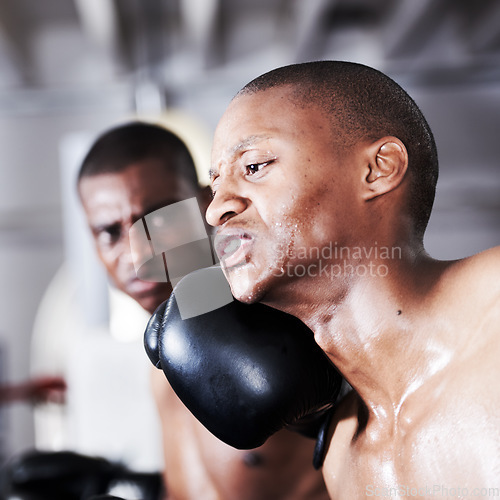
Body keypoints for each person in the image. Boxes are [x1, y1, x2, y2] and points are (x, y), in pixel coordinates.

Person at [205, 61, 500, 498]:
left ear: (378, 169)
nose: (215, 210)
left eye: (255, 166)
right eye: (214, 185)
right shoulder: (343, 455)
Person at [77, 121, 330, 499]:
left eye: (158, 219)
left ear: (203, 204)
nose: (136, 253)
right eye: (110, 232)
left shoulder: (287, 314)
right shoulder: (166, 344)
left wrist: (315, 412)